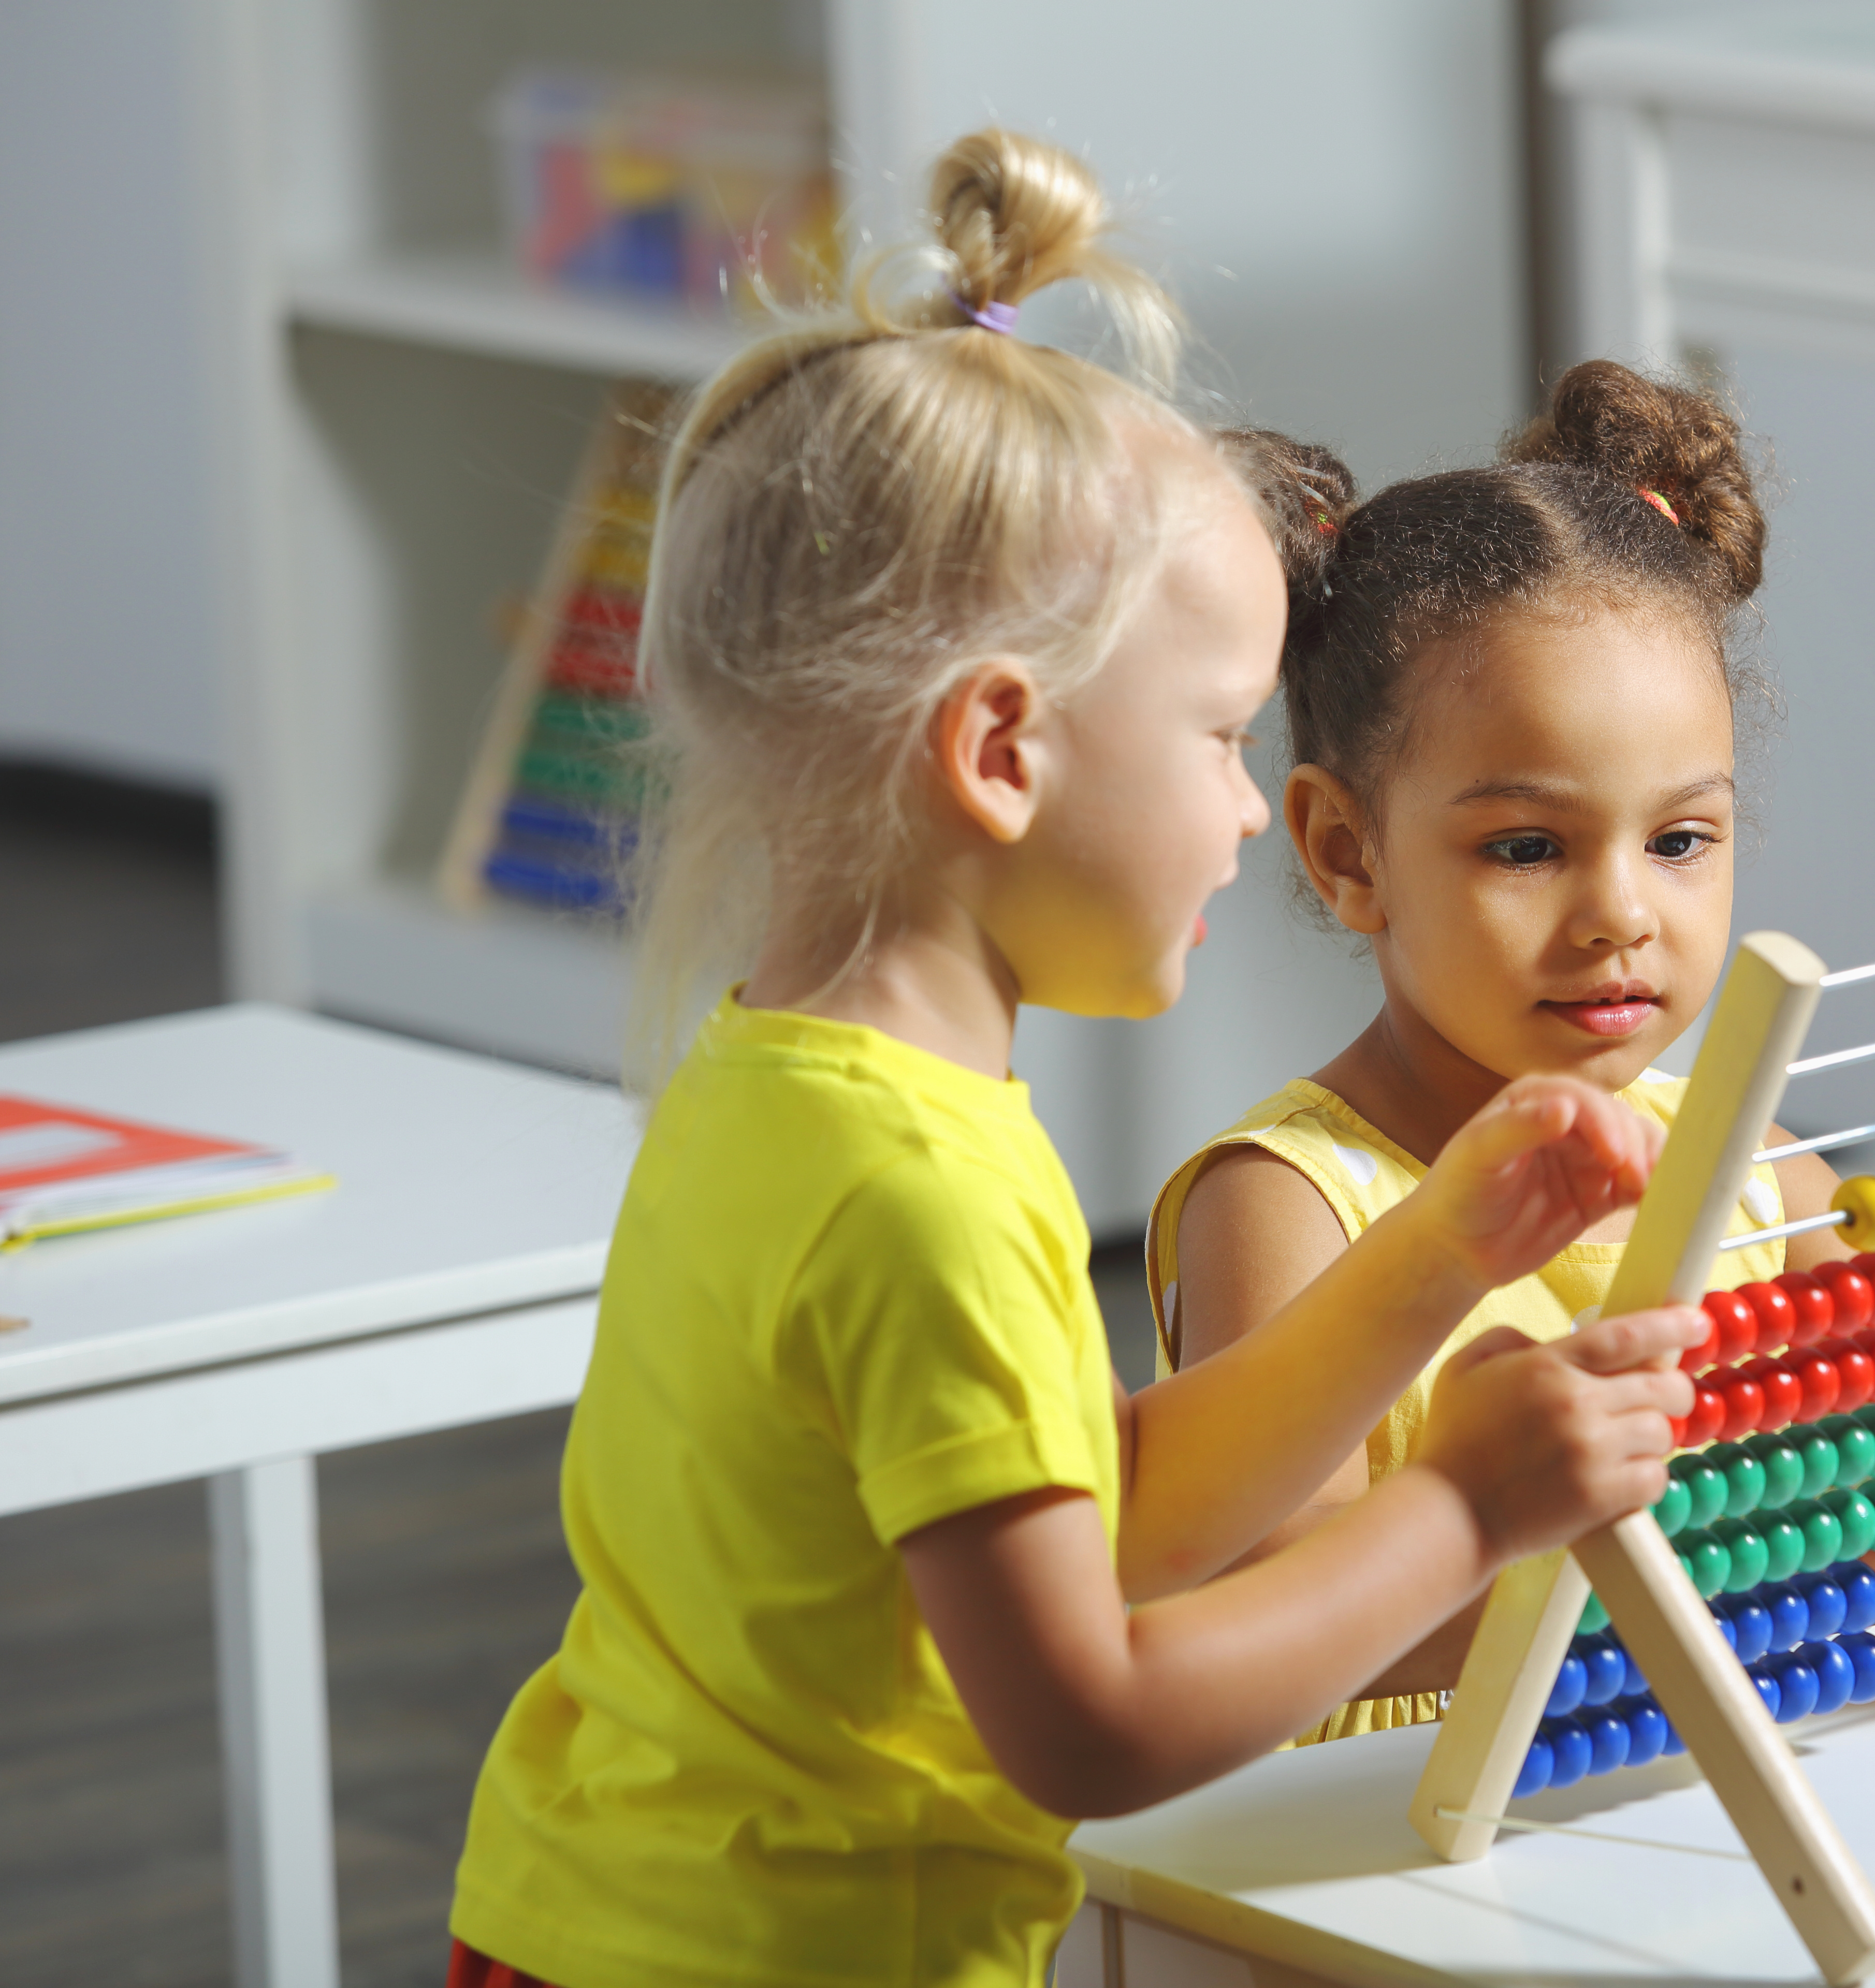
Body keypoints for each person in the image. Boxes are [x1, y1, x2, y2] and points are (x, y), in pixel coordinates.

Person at [444, 131, 1696, 1988]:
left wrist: (1437, 1250)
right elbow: (1090, 1723)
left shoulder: (811, 1081)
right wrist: (1465, 1512)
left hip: (601, 1916)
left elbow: (1085, 1510)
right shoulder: (916, 1189)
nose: (1248, 820)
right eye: (1215, 741)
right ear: (1003, 751)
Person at [1154, 362, 1875, 1748]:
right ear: (1344, 851)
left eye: (1680, 840)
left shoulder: (1755, 1176)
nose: (1621, 912)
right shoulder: (1292, 1204)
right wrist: (1616, 1564)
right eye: (1528, 848)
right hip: (1374, 1879)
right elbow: (1255, 1598)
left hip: (1706, 1832)